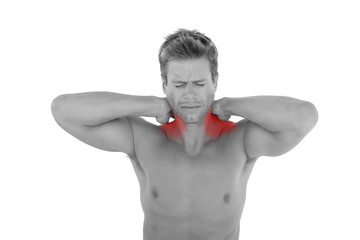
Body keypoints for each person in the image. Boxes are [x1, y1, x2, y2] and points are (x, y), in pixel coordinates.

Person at [51, 29, 318, 240]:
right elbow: (64, 110)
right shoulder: (145, 140)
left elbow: (304, 116)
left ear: (215, 81)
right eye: (178, 84)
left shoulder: (240, 141)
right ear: (164, 84)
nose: (189, 94)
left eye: (200, 84)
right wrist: (151, 105)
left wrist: (228, 105)